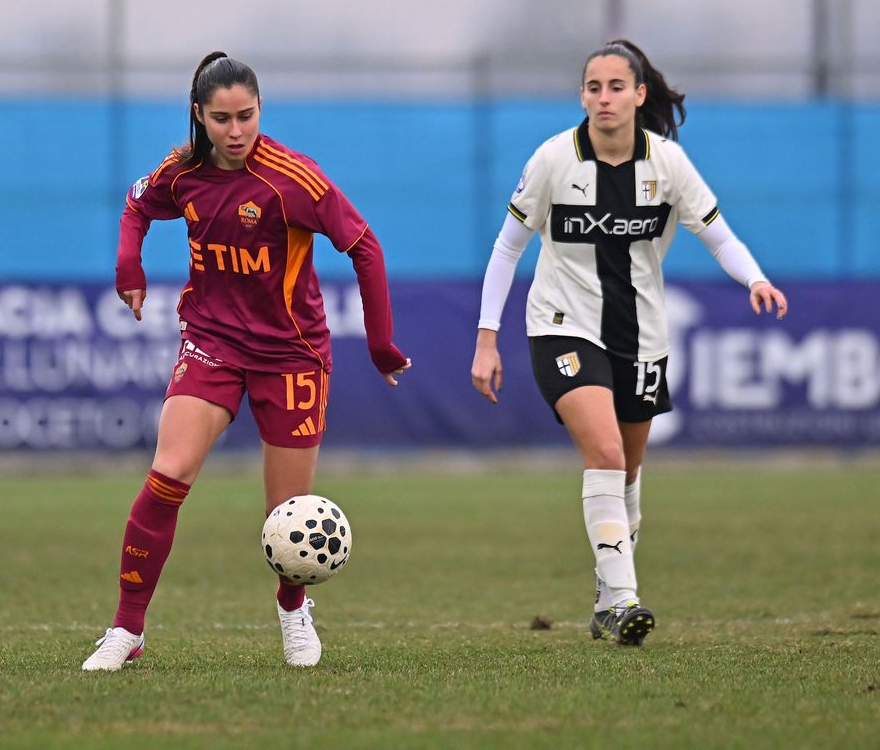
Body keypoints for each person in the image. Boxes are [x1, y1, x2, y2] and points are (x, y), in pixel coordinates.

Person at [82, 52, 411, 671]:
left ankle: (294, 611)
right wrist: (129, 267)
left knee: (286, 516)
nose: (237, 132)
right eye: (222, 119)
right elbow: (135, 207)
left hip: (292, 355)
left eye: (247, 117)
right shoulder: (183, 172)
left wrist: (380, 342)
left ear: (261, 110)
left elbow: (364, 245)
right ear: (199, 117)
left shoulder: (293, 179)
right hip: (212, 341)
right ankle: (126, 629)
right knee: (168, 472)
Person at [470, 39, 787, 645]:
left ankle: (605, 594)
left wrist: (756, 277)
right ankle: (623, 600)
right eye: (594, 87)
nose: (604, 98)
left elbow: (718, 234)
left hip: (641, 336)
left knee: (630, 474)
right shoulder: (552, 160)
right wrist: (487, 340)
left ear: (640, 96)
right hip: (562, 324)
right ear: (582, 95)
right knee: (607, 455)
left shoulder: (666, 163)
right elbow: (508, 247)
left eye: (617, 87)